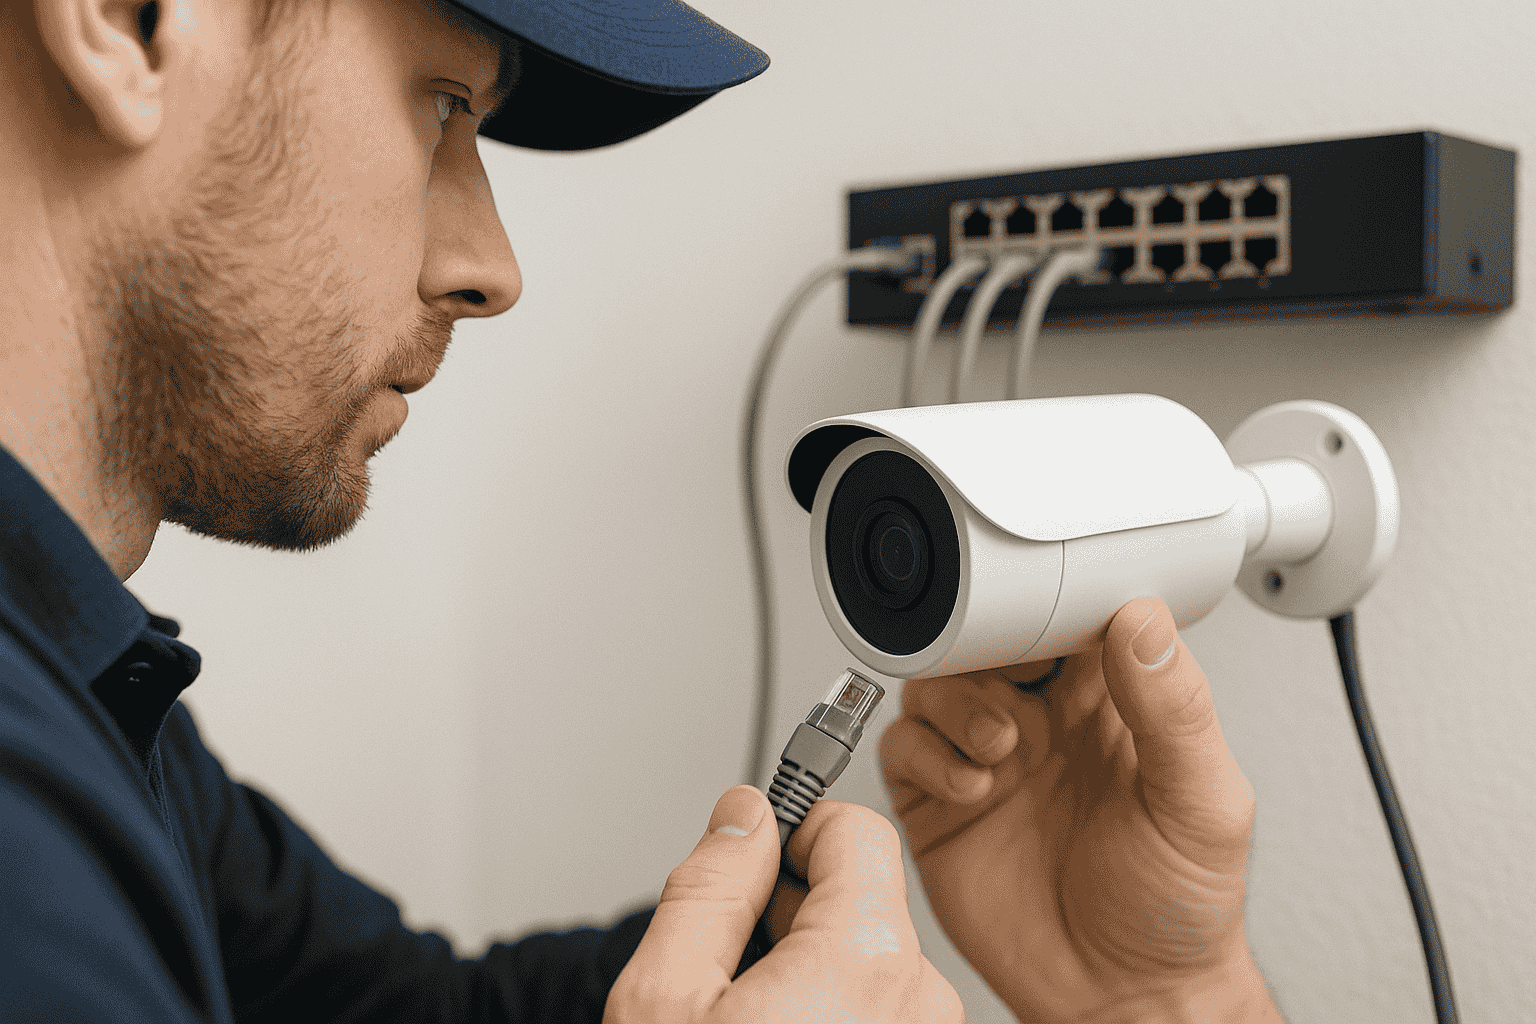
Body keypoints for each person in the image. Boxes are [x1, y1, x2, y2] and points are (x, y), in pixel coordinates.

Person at [0, 0, 1286, 1021]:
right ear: (126, 18)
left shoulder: (95, 693)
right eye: (445, 101)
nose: (490, 268)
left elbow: (429, 1012)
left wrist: (1156, 998)